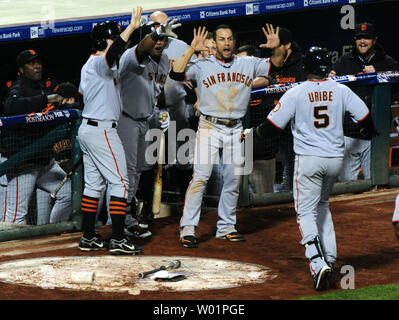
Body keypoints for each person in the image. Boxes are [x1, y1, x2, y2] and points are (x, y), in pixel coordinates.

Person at [249, 46, 378, 290]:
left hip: (309, 160)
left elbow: (269, 129)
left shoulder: (296, 93)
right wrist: (368, 132)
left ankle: (317, 262)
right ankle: (329, 256)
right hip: (334, 159)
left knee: (305, 211)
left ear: (306, 68)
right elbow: (365, 118)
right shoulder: (341, 89)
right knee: (322, 205)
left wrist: (249, 134)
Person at [170, 23, 279, 248]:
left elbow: (276, 66)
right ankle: (188, 228)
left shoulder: (247, 63)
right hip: (210, 126)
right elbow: (176, 73)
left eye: (229, 39)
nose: (226, 43)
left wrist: (275, 49)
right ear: (216, 43)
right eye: (221, 39)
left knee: (233, 180)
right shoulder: (202, 65)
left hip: (236, 127)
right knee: (200, 178)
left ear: (234, 42)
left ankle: (226, 227)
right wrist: (192, 49)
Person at [77, 7, 144, 254]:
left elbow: (117, 53)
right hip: (102, 130)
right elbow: (113, 52)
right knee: (121, 184)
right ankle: (117, 239)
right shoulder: (97, 62)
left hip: (90, 130)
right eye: (112, 37)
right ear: (100, 41)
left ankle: (88, 237)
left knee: (93, 186)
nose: (117, 41)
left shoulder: (96, 66)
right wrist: (131, 29)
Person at [117, 17, 180, 236]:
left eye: (162, 38)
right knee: (127, 174)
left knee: (140, 171)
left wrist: (160, 112)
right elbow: (142, 48)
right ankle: (119, 221)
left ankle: (125, 216)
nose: (159, 42)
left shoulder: (164, 62)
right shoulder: (131, 56)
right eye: (155, 38)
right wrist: (153, 35)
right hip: (125, 119)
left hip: (145, 120)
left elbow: (156, 92)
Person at [1, 49, 72, 224]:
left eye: (38, 62)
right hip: (22, 162)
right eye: (32, 63)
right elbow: (11, 107)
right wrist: (46, 99)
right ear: (21, 69)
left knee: (68, 194)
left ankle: (52, 235)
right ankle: (9, 251)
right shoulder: (18, 89)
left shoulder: (39, 88)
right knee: (17, 215)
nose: (37, 66)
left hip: (44, 162)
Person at [329, 22, 398, 182]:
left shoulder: (387, 63)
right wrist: (330, 77)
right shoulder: (344, 62)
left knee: (377, 182)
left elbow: (396, 89)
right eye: (359, 38)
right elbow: (330, 81)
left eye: (367, 38)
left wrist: (379, 75)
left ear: (375, 40)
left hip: (376, 134)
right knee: (346, 185)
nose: (362, 41)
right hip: (349, 132)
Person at [149, 11, 195, 220]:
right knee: (149, 159)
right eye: (158, 26)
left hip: (178, 110)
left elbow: (194, 76)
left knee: (183, 158)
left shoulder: (182, 47)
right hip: (153, 111)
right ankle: (146, 205)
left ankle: (185, 203)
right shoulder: (144, 47)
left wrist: (188, 80)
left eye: (165, 25)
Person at [36, 82, 82, 225]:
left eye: (60, 99)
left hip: (48, 171)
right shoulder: (53, 115)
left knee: (42, 223)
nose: (57, 103)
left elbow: (77, 107)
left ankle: (52, 228)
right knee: (68, 194)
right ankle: (54, 227)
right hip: (43, 168)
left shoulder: (77, 114)